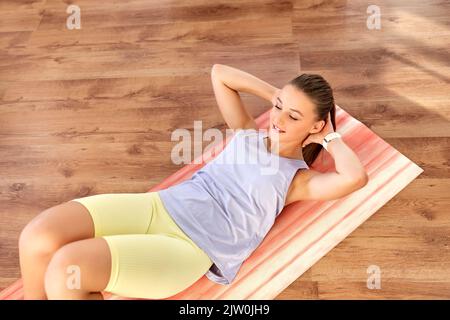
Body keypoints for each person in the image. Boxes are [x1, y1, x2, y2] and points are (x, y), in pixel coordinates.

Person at [18, 64, 368, 300]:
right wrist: (279, 97)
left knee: (67, 268)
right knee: (37, 238)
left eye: (293, 116)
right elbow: (220, 74)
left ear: (315, 126)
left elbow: (355, 177)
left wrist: (330, 137)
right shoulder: (247, 134)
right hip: (159, 207)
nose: (277, 119)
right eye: (278, 107)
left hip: (189, 248)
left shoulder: (297, 180)